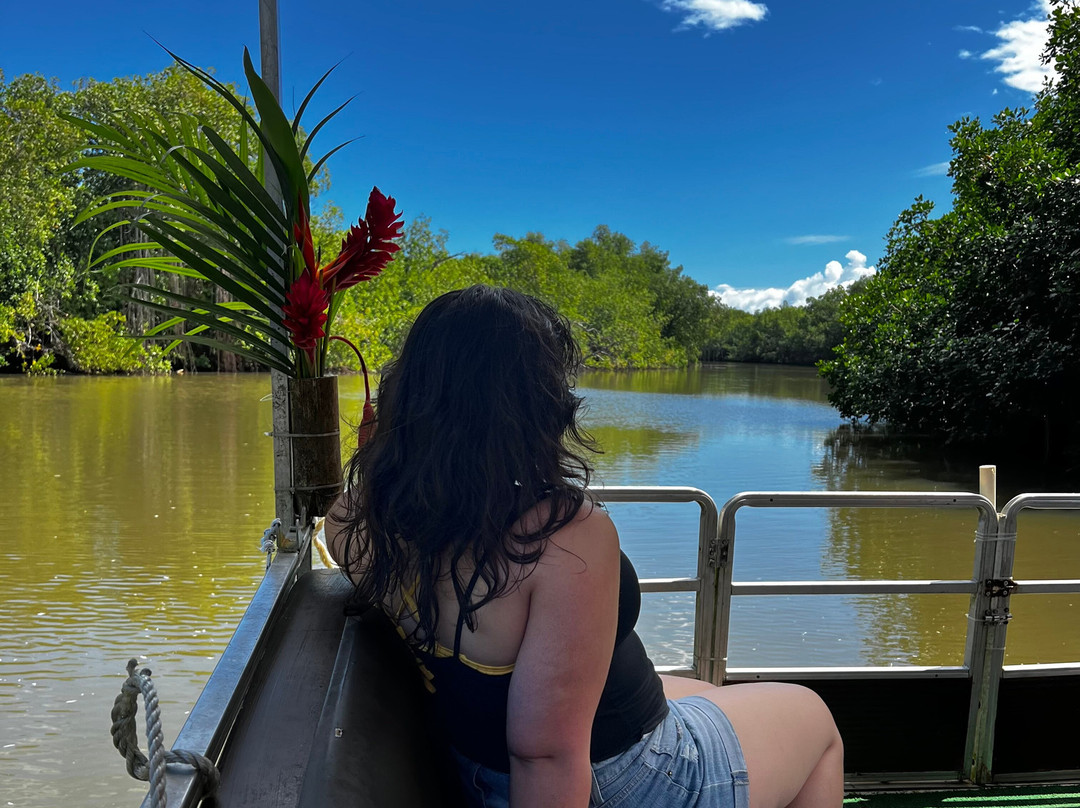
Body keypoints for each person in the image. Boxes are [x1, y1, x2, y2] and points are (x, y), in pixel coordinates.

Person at [326, 285, 843, 808]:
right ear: (537, 408)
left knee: (697, 688)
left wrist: (390, 454)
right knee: (812, 716)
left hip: (487, 758)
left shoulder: (356, 522)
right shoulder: (562, 540)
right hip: (616, 781)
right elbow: (543, 757)